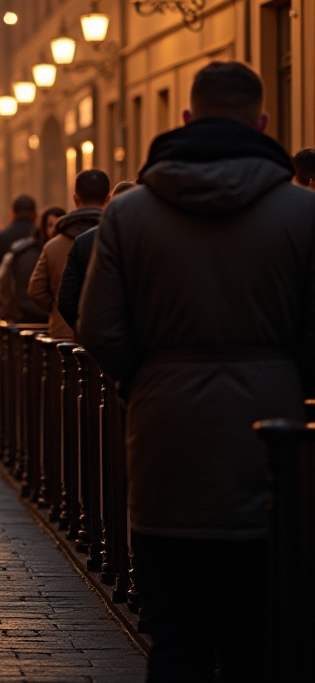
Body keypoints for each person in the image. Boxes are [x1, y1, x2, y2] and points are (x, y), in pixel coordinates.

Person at [79, 60, 315, 681]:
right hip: (275, 430)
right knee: (263, 628)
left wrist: (150, 379)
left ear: (185, 118)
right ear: (262, 121)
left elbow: (99, 327)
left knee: (176, 633)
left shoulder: (129, 216)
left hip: (166, 428)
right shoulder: (303, 213)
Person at [28, 172, 110, 338]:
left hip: (64, 333)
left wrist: (56, 308)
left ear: (76, 199)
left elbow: (35, 290)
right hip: (108, 334)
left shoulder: (53, 246)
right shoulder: (118, 237)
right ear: (108, 199)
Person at [55, 180, 134, 334]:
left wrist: (86, 331)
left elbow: (66, 300)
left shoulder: (84, 241)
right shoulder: (150, 240)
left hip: (98, 337)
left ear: (109, 201)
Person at [0, 205, 60, 322]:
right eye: (50, 225)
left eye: (58, 225)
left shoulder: (66, 249)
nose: (54, 230)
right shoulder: (30, 254)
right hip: (32, 319)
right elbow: (29, 294)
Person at [0, 194, 37, 309]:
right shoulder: (42, 236)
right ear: (35, 215)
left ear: (12, 214)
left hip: (9, 308)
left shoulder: (2, 237)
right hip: (39, 309)